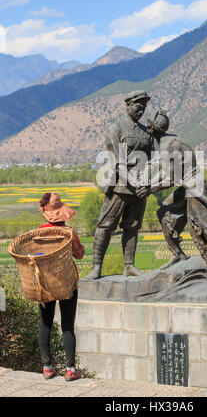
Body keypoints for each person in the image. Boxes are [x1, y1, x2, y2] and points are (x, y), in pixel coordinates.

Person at [136, 111, 207, 280]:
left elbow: (170, 179)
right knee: (164, 214)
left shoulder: (168, 145)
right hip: (186, 186)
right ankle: (178, 254)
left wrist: (149, 190)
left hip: (194, 187)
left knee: (202, 228)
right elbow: (167, 171)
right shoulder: (168, 140)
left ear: (153, 130)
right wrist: (148, 183)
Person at [84, 90, 154, 280]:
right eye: (138, 107)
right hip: (120, 186)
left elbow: (151, 160)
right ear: (129, 105)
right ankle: (96, 267)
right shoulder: (117, 129)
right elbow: (118, 162)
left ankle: (129, 265)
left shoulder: (146, 132)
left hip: (140, 189)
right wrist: (134, 182)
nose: (141, 111)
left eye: (144, 108)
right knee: (105, 226)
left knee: (132, 226)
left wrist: (145, 183)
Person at [38, 192, 85, 381]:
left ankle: (47, 367)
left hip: (46, 284)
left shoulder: (39, 233)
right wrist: (78, 248)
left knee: (45, 325)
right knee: (67, 326)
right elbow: (79, 254)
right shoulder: (69, 232)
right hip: (67, 283)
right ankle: (70, 369)